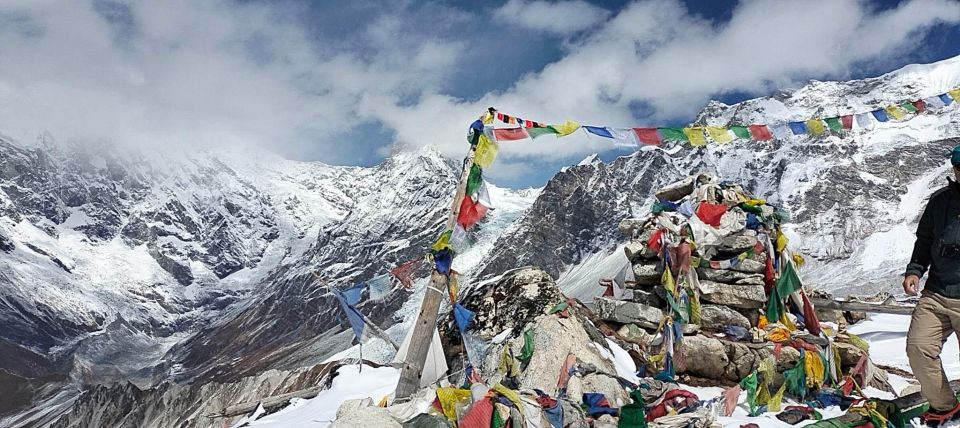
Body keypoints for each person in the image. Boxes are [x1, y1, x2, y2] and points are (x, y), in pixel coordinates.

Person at [904, 144, 960, 426]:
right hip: (937, 292)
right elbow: (924, 241)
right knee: (918, 348)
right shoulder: (939, 202)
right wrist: (914, 271)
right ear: (955, 169)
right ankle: (946, 406)